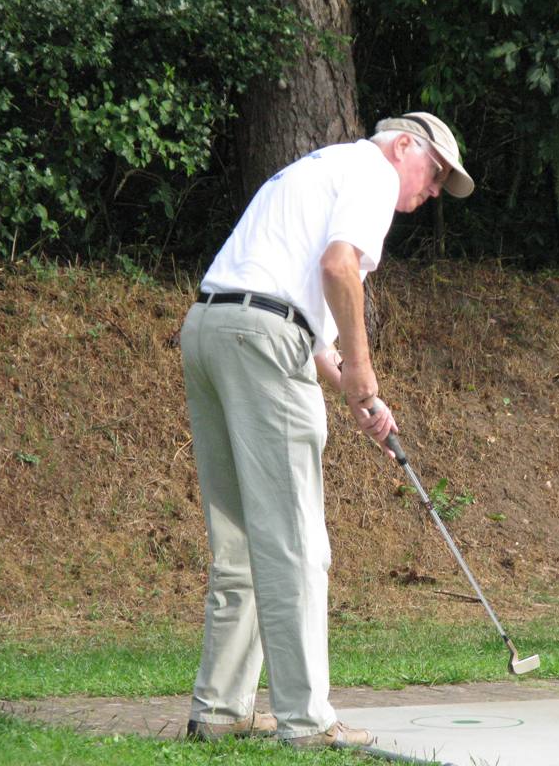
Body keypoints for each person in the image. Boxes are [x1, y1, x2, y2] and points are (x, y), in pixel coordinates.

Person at [180, 112, 474, 749]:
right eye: (434, 175)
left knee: (240, 536)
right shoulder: (373, 172)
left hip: (211, 329)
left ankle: (221, 710)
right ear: (404, 146)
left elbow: (307, 327)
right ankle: (308, 723)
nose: (430, 193)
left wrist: (356, 393)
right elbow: (339, 269)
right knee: (295, 542)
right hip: (263, 340)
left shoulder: (319, 168)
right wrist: (363, 368)